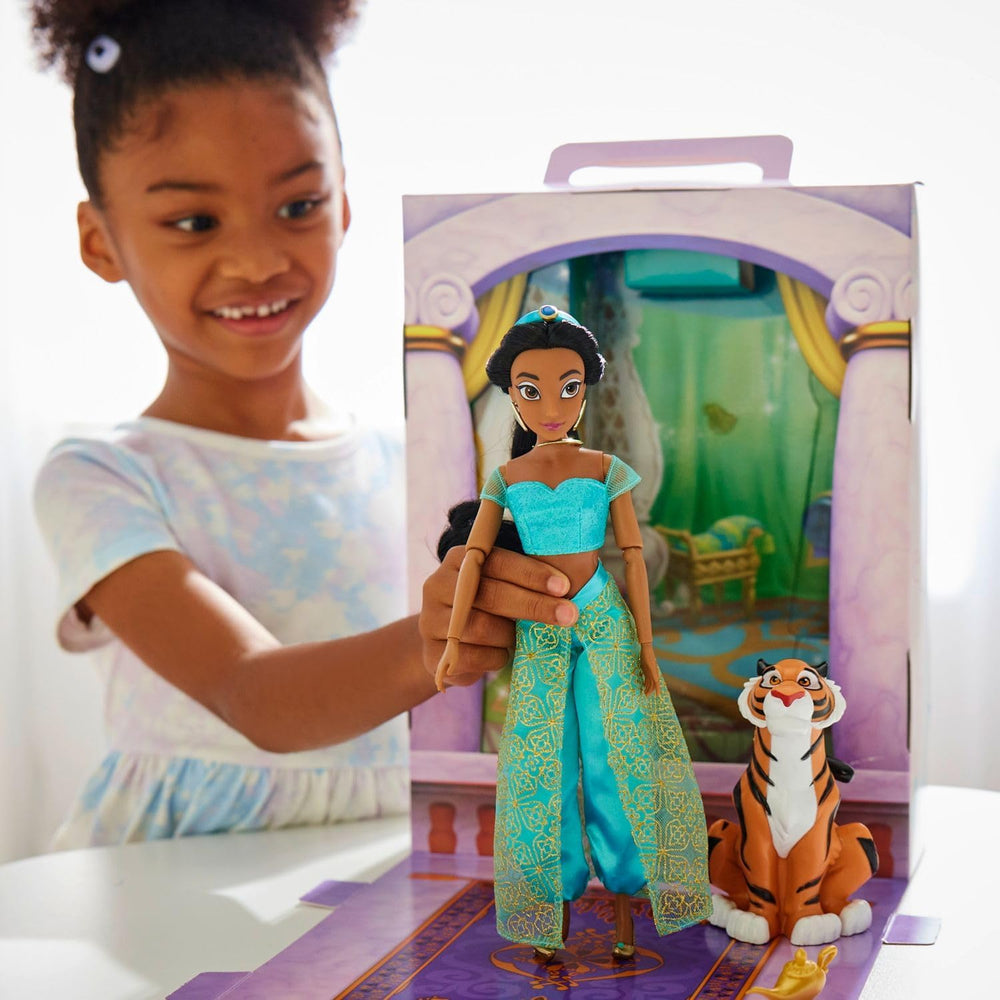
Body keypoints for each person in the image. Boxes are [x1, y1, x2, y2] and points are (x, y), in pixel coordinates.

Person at [29, 0, 578, 849]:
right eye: (194, 222)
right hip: (171, 883)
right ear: (101, 241)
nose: (257, 260)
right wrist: (441, 635)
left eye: (297, 206)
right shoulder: (101, 476)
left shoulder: (413, 460)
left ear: (344, 204)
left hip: (383, 860)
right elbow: (254, 696)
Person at [436, 305, 711, 959]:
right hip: (543, 631)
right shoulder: (507, 478)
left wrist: (648, 648)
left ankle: (623, 910)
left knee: (615, 759)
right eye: (531, 390)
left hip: (606, 622)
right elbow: (473, 558)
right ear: (513, 395)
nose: (552, 405)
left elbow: (634, 557)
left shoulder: (605, 467)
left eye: (569, 387)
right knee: (544, 768)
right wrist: (452, 641)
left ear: (586, 387)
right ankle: (550, 914)